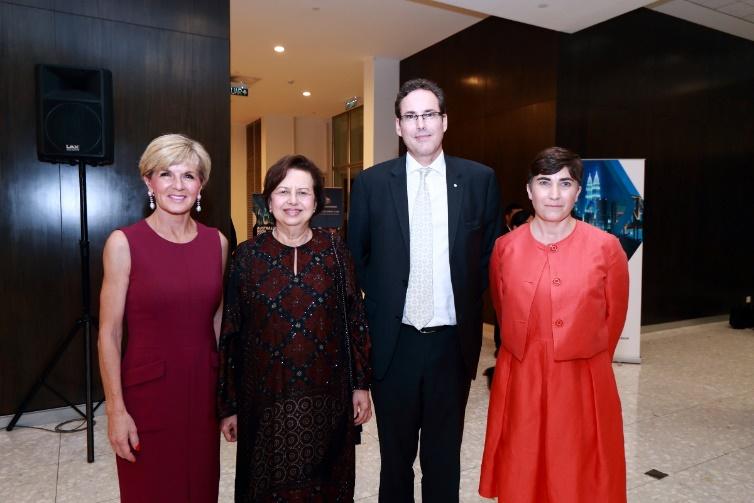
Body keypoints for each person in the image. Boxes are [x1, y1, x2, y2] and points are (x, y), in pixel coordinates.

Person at [348, 78, 502, 502]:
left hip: (451, 347)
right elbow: (355, 258)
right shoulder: (371, 185)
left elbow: (491, 254)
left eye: (429, 114)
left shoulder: (479, 180)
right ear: (398, 126)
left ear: (445, 121)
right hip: (393, 345)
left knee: (443, 460)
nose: (421, 125)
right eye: (411, 116)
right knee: (395, 461)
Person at [218, 154, 372, 502]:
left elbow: (355, 320)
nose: (292, 201)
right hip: (264, 403)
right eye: (283, 191)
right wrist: (228, 404)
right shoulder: (246, 256)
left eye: (303, 193)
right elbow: (231, 331)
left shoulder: (335, 251)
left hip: (328, 403)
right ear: (268, 199)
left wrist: (360, 385)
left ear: (316, 201)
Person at [479, 146, 629, 502]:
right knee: (523, 459)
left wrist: (584, 356)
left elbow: (613, 318)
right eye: (544, 183)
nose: (554, 194)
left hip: (582, 378)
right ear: (529, 190)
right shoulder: (504, 248)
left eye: (565, 184)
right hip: (522, 374)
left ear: (578, 191)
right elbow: (502, 308)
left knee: (577, 466)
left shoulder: (606, 248)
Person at [98, 133, 228, 502]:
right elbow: (109, 333)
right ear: (148, 181)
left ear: (201, 185)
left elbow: (216, 322)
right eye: (166, 174)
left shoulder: (216, 243)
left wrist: (227, 398)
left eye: (189, 175)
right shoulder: (124, 243)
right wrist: (115, 411)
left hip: (203, 393)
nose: (178, 185)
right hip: (147, 397)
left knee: (201, 489)